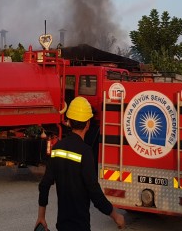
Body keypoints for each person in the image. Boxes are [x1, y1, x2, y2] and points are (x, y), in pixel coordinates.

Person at [37, 96, 125, 231]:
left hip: (62, 225)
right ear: (88, 124)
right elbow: (94, 192)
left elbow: (44, 185)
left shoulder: (57, 149)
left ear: (69, 122)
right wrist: (115, 215)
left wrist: (41, 217)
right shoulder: (85, 152)